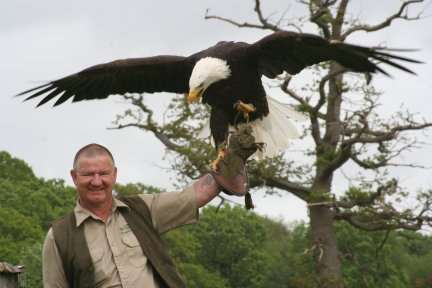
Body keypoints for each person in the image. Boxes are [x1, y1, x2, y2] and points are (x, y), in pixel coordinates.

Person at [43, 129, 258, 288]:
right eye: (88, 174)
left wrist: (232, 158)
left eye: (103, 173)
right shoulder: (60, 236)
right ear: (74, 177)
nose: (97, 181)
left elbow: (196, 194)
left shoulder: (141, 209)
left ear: (115, 174)